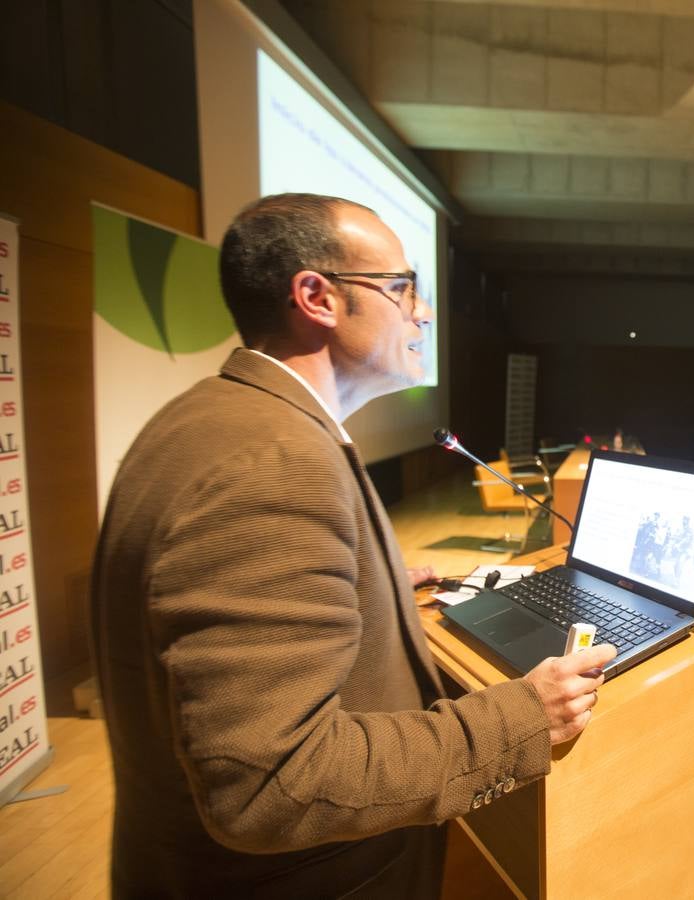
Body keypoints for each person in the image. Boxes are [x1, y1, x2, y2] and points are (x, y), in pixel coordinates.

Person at [89, 194, 617, 896]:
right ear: (316, 297)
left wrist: (364, 586)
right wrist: (520, 718)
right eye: (403, 289)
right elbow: (272, 785)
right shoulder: (278, 464)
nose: (422, 313)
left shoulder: (204, 421)